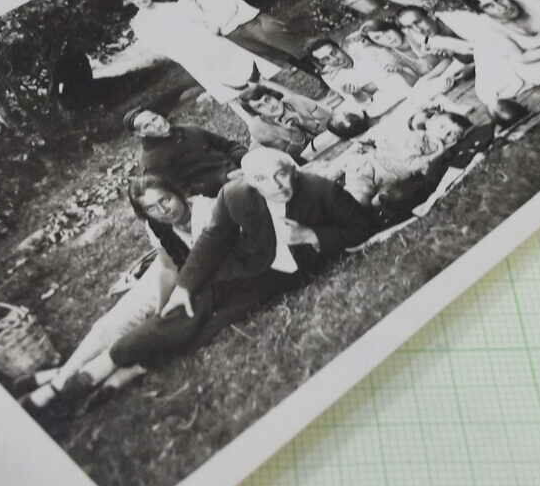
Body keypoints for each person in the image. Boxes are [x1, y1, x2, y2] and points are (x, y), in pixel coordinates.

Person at [41, 148, 375, 406]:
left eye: (281, 175)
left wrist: (313, 236)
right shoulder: (236, 195)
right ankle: (100, 368)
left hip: (280, 279)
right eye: (263, 180)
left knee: (211, 329)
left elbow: (362, 227)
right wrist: (184, 287)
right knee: (183, 312)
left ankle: (125, 372)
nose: (276, 186)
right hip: (235, 272)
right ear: (249, 180)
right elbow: (211, 240)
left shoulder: (321, 191)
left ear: (292, 169)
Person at [19, 176, 216, 408]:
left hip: (200, 277)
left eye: (166, 200)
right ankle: (59, 383)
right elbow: (167, 268)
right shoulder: (157, 223)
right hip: (175, 265)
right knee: (111, 324)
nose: (163, 211)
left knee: (160, 329)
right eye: (152, 208)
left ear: (178, 191)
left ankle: (63, 382)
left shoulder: (208, 211)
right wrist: (160, 309)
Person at [122, 0, 279, 103]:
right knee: (225, 86)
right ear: (131, 2)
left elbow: (200, 19)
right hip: (189, 54)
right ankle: (251, 115)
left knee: (244, 68)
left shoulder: (172, 6)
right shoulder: (140, 23)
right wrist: (182, 52)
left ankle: (277, 94)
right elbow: (157, 46)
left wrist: (211, 28)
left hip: (209, 42)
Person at [342, 100, 491, 217]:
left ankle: (361, 218)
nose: (445, 133)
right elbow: (411, 165)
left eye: (451, 134)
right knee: (357, 200)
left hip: (388, 178)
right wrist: (439, 152)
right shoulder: (417, 138)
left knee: (376, 203)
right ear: (430, 122)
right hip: (371, 166)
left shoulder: (437, 145)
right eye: (442, 126)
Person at [160, 0, 317, 76]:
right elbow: (196, 23)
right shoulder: (183, 5)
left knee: (289, 46)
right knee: (279, 54)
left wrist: (216, 25)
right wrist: (209, 30)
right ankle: (315, 75)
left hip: (249, 23)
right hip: (233, 34)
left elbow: (230, 6)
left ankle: (323, 70)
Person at [123, 106, 247, 197]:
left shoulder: (189, 130)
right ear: (140, 133)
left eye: (155, 118)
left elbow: (228, 146)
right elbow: (180, 193)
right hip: (219, 194)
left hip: (239, 170)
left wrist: (245, 159)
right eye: (147, 126)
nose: (157, 125)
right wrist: (225, 178)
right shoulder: (152, 162)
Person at [305, 38, 411, 117]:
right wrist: (358, 94)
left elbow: (394, 70)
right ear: (322, 62)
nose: (334, 59)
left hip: (404, 83)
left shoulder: (361, 49)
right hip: (384, 103)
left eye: (334, 52)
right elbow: (364, 105)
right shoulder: (331, 76)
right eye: (326, 59)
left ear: (340, 47)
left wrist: (370, 88)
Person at [234, 84, 333, 160]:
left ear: (274, 95)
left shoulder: (296, 101)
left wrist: (306, 123)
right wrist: (295, 135)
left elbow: (332, 121)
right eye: (260, 106)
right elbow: (289, 159)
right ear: (257, 113)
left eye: (268, 99)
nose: (270, 106)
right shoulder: (260, 128)